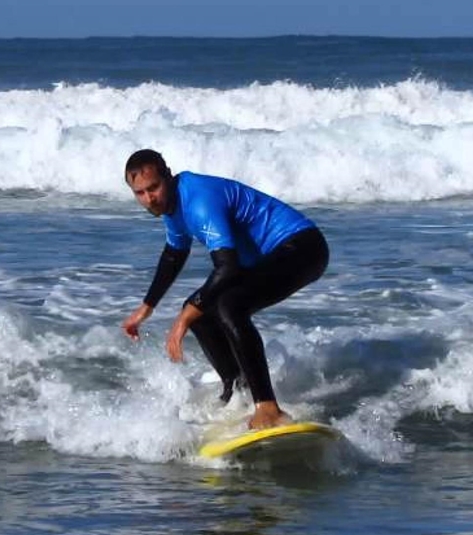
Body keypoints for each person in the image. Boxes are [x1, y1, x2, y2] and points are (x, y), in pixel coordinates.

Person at [121, 149, 329, 430]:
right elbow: (174, 254)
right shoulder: (171, 207)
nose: (149, 198)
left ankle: (268, 408)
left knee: (229, 305)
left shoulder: (198, 200)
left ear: (167, 176)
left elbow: (227, 267)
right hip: (269, 257)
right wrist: (146, 308)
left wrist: (183, 318)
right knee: (204, 313)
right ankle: (238, 392)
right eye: (140, 193)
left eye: (154, 187)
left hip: (302, 248)